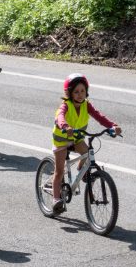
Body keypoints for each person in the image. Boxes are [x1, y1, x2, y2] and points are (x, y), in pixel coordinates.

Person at [51, 73, 122, 214]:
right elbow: (59, 116)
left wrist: (112, 126)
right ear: (69, 93)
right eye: (76, 92)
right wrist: (65, 126)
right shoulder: (65, 106)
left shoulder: (86, 105)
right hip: (62, 139)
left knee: (88, 154)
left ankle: (81, 172)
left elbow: (99, 116)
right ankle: (56, 199)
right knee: (59, 172)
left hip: (77, 138)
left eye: (82, 91)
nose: (80, 95)